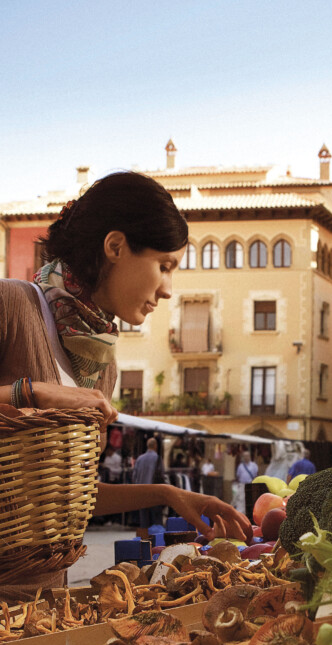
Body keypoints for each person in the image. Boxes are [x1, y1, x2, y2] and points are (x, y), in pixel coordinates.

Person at [0, 171, 251, 597]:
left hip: (44, 606)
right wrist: (31, 392)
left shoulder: (103, 365)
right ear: (115, 246)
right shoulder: (11, 305)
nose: (169, 289)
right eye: (164, 266)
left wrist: (169, 494)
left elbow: (67, 495)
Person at [132, 437, 164, 528]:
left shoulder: (139, 459)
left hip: (141, 492)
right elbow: (162, 474)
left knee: (144, 519)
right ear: (155, 446)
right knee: (156, 519)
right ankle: (155, 538)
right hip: (154, 492)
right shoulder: (157, 458)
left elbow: (134, 476)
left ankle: (144, 538)